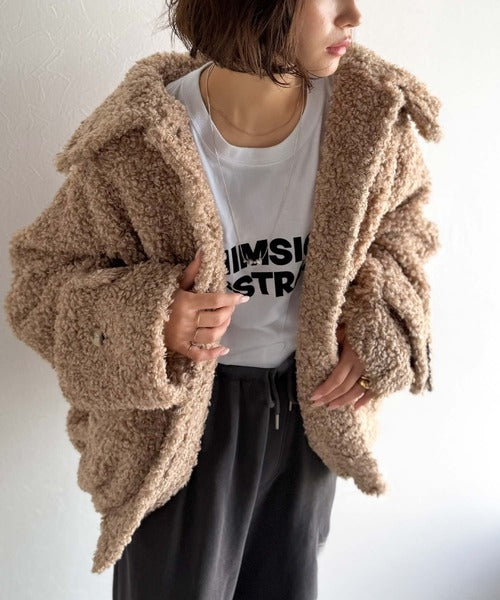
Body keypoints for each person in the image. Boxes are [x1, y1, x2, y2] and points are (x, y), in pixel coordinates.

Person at [4, 0, 442, 597]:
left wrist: (378, 326)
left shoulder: (369, 121)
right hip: (179, 432)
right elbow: (38, 284)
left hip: (312, 411)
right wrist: (152, 320)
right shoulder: (139, 143)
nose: (353, 14)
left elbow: (404, 234)